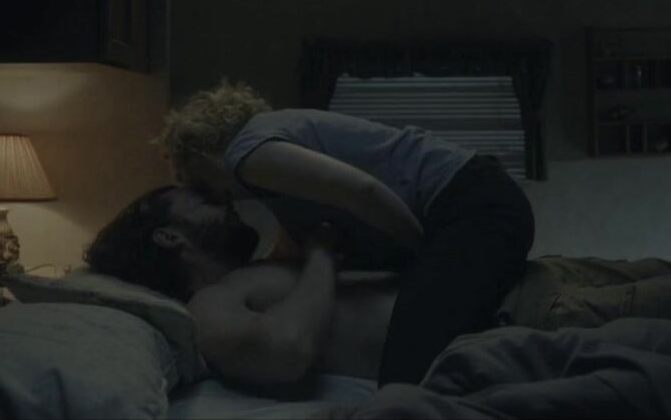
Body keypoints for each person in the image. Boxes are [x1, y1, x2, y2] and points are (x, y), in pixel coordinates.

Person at [85, 186, 671, 386]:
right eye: (193, 200)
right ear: (168, 234)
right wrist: (321, 254)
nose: (216, 200)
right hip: (513, 318)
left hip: (524, 278)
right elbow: (290, 349)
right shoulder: (210, 308)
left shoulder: (261, 264)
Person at [153, 80, 535, 385]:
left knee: (408, 364)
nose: (217, 197)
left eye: (200, 184)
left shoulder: (246, 156)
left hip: (471, 202)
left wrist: (423, 257)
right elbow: (295, 244)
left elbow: (363, 191)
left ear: (201, 155)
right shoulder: (273, 148)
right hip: (479, 195)